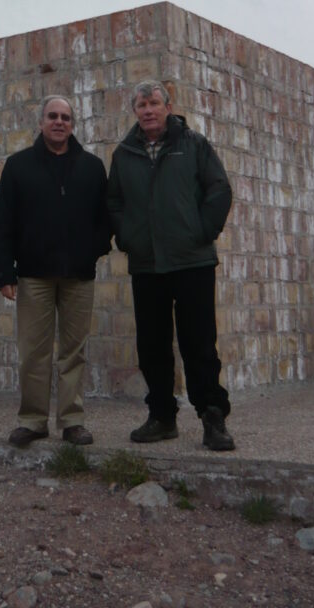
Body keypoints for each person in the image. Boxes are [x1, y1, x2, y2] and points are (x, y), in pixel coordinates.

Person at [106, 80, 235, 451]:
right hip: (147, 265)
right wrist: (127, 237)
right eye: (141, 104)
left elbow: (219, 189)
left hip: (192, 261)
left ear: (167, 106)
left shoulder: (193, 145)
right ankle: (161, 416)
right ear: (135, 111)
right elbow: (114, 203)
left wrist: (202, 230)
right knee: (152, 345)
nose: (148, 110)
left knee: (199, 343)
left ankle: (212, 415)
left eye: (154, 103)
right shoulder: (124, 153)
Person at [0, 95, 111, 448]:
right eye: (53, 116)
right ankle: (32, 420)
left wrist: (93, 250)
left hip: (78, 276)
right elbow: (3, 224)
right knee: (34, 352)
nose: (60, 122)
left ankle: (72, 421)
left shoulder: (91, 167)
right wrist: (4, 273)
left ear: (72, 125)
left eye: (66, 117)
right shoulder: (18, 166)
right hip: (33, 276)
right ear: (41, 122)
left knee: (74, 351)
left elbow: (105, 219)